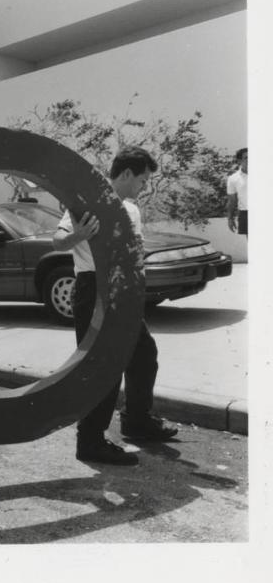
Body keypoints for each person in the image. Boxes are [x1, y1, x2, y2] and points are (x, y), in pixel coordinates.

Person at [53, 146, 178, 466]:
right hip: (93, 287)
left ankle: (137, 421)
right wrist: (78, 235)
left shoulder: (132, 210)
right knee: (102, 367)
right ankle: (90, 441)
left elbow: (133, 250)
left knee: (143, 354)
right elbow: (58, 241)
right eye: (142, 180)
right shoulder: (86, 203)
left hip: (124, 288)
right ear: (125, 174)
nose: (143, 187)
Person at [226, 147, 248, 236]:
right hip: (246, 213)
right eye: (246, 158)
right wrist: (230, 219)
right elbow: (232, 201)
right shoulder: (233, 179)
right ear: (239, 161)